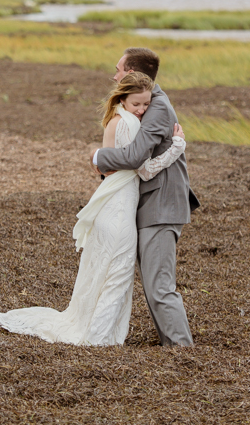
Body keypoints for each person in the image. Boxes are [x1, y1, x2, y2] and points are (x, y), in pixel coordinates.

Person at [0, 71, 186, 345]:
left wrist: (100, 157)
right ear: (123, 98)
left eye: (146, 104)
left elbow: (112, 168)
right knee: (117, 271)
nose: (142, 110)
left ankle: (99, 330)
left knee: (110, 269)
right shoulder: (129, 124)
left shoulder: (116, 119)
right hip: (120, 208)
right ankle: (99, 335)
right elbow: (144, 169)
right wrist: (177, 147)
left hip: (114, 204)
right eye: (136, 104)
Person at [91, 46, 196, 347]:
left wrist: (99, 157)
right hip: (150, 202)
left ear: (134, 73)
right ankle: (173, 345)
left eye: (119, 69)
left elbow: (137, 156)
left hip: (161, 204)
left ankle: (182, 350)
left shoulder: (158, 106)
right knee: (154, 285)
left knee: (159, 286)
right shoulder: (147, 102)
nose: (115, 75)